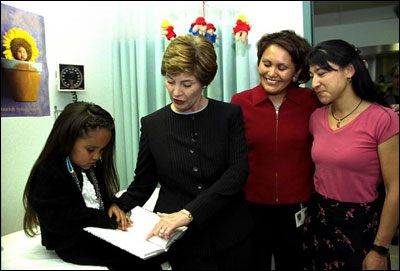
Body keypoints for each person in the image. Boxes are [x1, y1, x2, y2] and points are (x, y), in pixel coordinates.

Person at [109, 34, 253, 271]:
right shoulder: (153, 124)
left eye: (187, 84)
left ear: (205, 81)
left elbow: (237, 173)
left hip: (230, 233)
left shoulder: (228, 116)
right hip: (182, 240)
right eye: (170, 81)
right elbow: (143, 184)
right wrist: (115, 205)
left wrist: (189, 212)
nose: (176, 91)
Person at [22, 102, 161, 270]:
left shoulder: (92, 165)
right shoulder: (48, 171)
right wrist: (104, 219)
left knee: (154, 251)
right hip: (70, 242)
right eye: (90, 150)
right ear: (67, 140)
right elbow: (59, 219)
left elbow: (99, 198)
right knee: (136, 260)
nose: (96, 156)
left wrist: (113, 205)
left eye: (102, 150)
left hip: (98, 233)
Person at [303, 39, 399, 270]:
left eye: (323, 73)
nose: (315, 82)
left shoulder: (383, 119)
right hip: (319, 222)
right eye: (312, 75)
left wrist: (380, 248)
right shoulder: (316, 117)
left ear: (349, 70)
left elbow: (395, 188)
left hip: (361, 227)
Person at [230, 30, 319, 270]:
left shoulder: (313, 101)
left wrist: (386, 110)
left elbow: (349, 107)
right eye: (266, 63)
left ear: (298, 71)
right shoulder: (240, 102)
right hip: (250, 207)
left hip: (298, 208)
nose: (271, 73)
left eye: (282, 67)